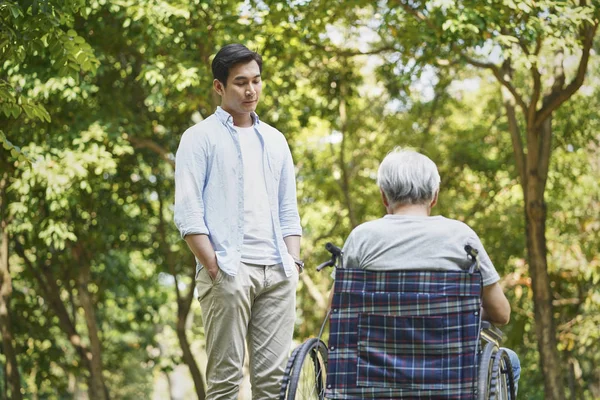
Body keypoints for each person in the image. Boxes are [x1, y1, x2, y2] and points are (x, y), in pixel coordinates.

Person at [174, 44, 303, 400]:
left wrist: (292, 262)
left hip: (277, 272)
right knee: (225, 383)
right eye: (240, 82)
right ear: (219, 87)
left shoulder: (276, 141)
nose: (251, 91)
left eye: (256, 81)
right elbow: (188, 213)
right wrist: (214, 267)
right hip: (229, 271)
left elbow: (288, 210)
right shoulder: (199, 138)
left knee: (274, 384)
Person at [338, 147, 521, 394]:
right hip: (450, 382)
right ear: (434, 196)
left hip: (372, 380)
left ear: (383, 196)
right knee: (511, 361)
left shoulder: (361, 238)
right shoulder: (461, 238)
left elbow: (337, 310)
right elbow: (501, 313)